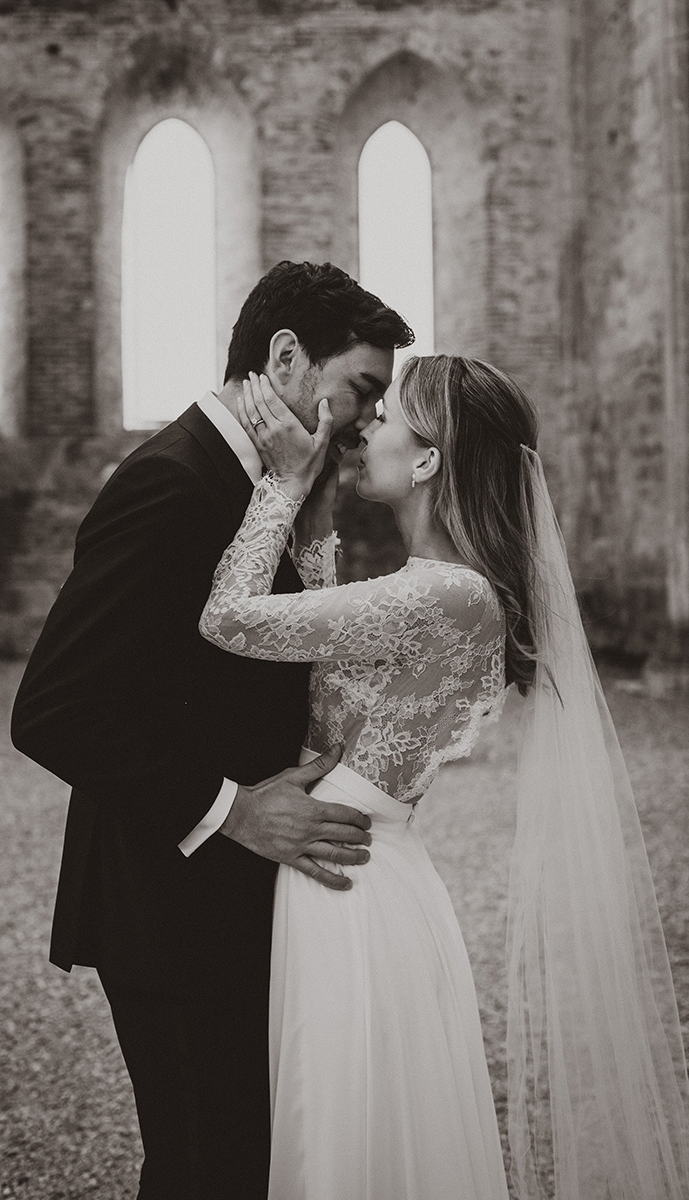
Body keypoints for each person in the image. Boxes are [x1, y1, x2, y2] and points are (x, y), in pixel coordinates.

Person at [199, 357, 689, 1199]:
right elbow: (327, 648)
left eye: (384, 414)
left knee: (345, 1145)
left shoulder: (447, 596)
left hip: (345, 879)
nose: (365, 428)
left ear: (426, 459)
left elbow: (230, 618)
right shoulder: (440, 591)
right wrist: (316, 519)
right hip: (348, 864)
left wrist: (281, 484)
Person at [9, 261, 413, 1199]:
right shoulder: (174, 481)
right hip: (166, 899)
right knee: (208, 1165)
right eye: (360, 388)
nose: (365, 417)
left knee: (242, 1155)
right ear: (285, 357)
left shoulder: (265, 478)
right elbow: (53, 708)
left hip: (225, 904)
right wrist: (233, 811)